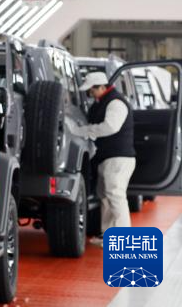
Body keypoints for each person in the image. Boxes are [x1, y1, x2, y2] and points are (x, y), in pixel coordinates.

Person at [66, 71, 135, 241]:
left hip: (118, 158)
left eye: (92, 90)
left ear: (102, 87)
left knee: (115, 196)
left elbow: (110, 126)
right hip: (107, 157)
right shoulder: (102, 102)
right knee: (105, 196)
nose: (90, 94)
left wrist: (82, 131)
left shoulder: (115, 103)